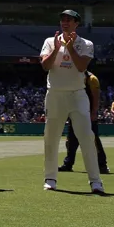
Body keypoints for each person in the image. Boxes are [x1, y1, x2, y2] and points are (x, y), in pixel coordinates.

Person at [40, 10, 104, 194]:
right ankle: (50, 178)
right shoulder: (49, 41)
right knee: (51, 138)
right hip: (55, 94)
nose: (65, 22)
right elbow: (45, 65)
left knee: (87, 137)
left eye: (69, 20)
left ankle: (96, 181)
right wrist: (56, 47)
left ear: (77, 23)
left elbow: (82, 66)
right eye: (62, 19)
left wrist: (69, 47)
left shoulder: (86, 44)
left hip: (77, 95)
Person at [59, 71, 110, 174]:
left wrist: (94, 112)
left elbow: (96, 98)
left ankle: (102, 165)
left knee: (93, 140)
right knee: (71, 141)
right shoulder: (72, 77)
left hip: (88, 114)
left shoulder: (92, 79)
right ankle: (68, 164)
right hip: (74, 113)